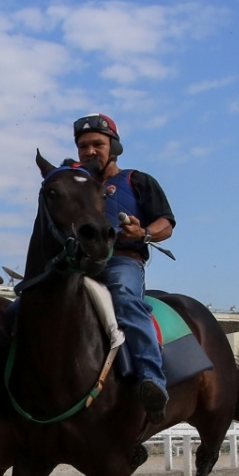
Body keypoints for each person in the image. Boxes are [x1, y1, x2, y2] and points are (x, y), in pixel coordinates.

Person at [73, 112, 176, 418]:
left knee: (123, 297)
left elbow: (166, 224)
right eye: (83, 146)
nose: (90, 151)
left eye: (97, 144)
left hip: (122, 260)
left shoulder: (138, 180)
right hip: (79, 263)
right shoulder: (77, 184)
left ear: (114, 147)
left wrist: (143, 233)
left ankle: (152, 379)